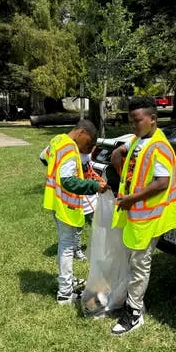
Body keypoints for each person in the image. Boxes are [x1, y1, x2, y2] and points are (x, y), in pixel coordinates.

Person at [108, 97, 176, 335]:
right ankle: (129, 301)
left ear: (153, 119)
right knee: (132, 260)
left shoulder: (159, 147)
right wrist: (119, 152)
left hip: (150, 215)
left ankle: (134, 313)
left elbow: (162, 183)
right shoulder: (139, 140)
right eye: (130, 121)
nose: (133, 126)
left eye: (137, 121)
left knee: (140, 263)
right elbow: (124, 158)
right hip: (137, 214)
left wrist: (131, 199)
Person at [40, 120, 107, 304]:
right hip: (65, 204)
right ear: (81, 132)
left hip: (54, 200)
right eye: (90, 142)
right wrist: (94, 186)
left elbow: (43, 158)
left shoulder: (57, 140)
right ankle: (65, 293)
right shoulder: (70, 149)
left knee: (65, 244)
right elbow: (68, 181)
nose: (89, 148)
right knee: (67, 247)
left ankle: (67, 282)